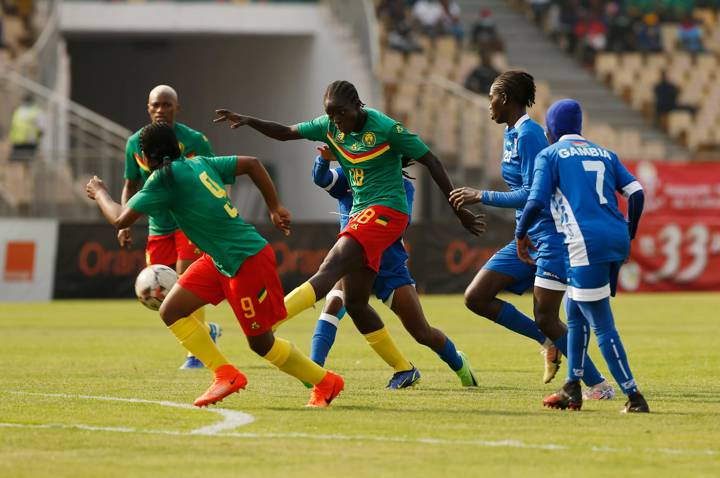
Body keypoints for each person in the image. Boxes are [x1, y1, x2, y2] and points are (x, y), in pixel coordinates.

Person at [214, 80, 484, 389]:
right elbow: (287, 133)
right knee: (371, 310)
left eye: (342, 113)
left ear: (357, 105)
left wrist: (458, 209)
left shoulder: (386, 129)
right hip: (363, 220)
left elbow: (432, 160)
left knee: (330, 268)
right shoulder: (330, 126)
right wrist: (250, 120)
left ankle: (272, 320)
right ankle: (456, 365)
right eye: (332, 115)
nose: (337, 120)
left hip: (386, 215)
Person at [86, 122, 344, 408]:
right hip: (218, 259)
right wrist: (274, 207)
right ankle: (226, 374)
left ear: (145, 157)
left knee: (261, 343)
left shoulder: (162, 179)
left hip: (246, 260)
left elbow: (121, 218)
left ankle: (325, 381)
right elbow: (252, 164)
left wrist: (99, 192)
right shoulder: (200, 163)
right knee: (171, 309)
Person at [449, 71, 614, 400]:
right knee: (476, 297)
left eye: (492, 96)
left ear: (506, 98)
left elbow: (532, 193)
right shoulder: (511, 135)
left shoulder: (531, 135)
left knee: (548, 315)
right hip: (526, 236)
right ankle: (547, 341)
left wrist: (481, 195)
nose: (489, 104)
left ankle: (600, 385)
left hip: (551, 235)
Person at [516, 99, 649, 413]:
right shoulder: (605, 153)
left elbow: (535, 202)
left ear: (550, 128)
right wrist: (627, 232)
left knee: (600, 322)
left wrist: (521, 235)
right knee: (573, 309)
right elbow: (637, 193)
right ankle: (572, 388)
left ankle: (634, 397)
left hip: (583, 241)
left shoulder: (550, 155)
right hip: (614, 236)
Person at [309, 145, 478, 387]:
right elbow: (322, 179)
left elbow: (401, 221)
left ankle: (459, 364)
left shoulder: (402, 186)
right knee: (334, 304)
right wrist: (323, 159)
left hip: (388, 266)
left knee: (422, 332)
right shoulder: (352, 174)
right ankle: (313, 373)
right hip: (355, 259)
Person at [122, 85, 218, 370]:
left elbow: (214, 176)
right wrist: (124, 223)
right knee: (161, 293)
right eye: (156, 105)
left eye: (167, 105)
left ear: (178, 108)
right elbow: (131, 184)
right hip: (158, 225)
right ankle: (206, 332)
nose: (161, 110)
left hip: (190, 222)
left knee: (186, 281)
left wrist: (215, 212)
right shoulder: (134, 143)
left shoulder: (195, 141)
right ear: (148, 108)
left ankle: (196, 354)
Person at [9, 94, 45, 162]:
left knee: (18, 163)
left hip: (18, 141)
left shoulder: (18, 111)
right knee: (28, 162)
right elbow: (42, 129)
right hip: (30, 141)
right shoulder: (37, 112)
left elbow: (13, 126)